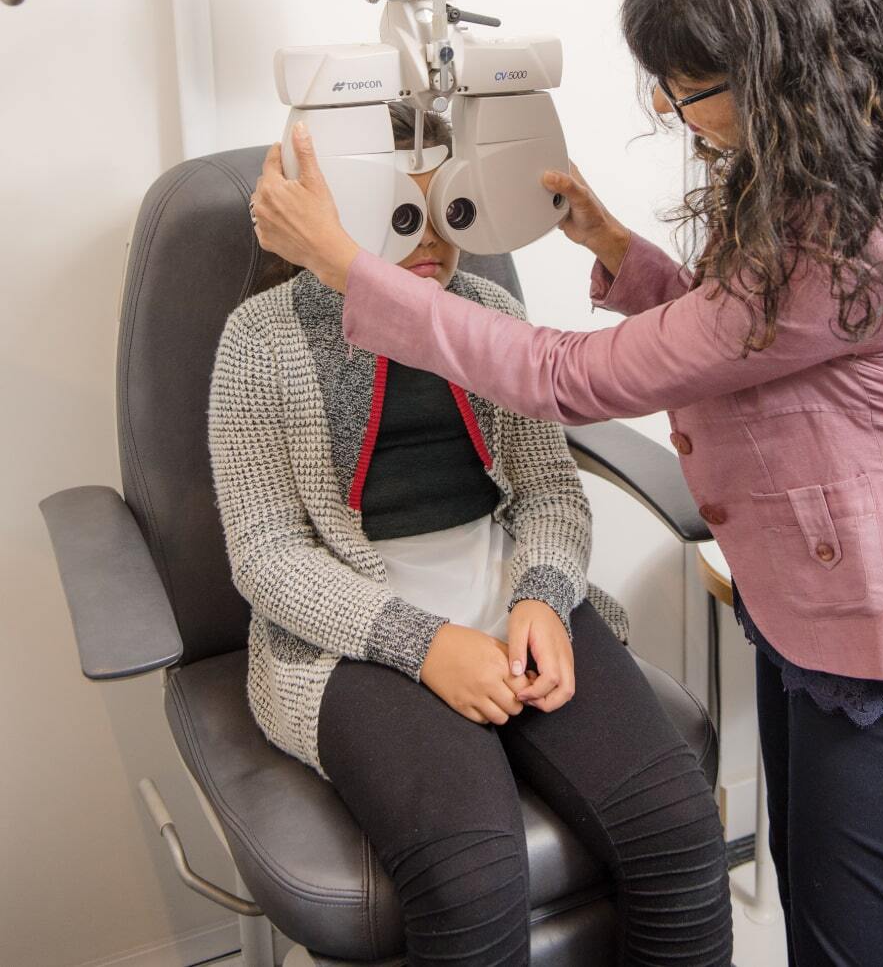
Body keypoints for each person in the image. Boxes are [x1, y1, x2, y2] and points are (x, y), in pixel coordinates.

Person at [250, 0, 883, 967]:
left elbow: (570, 382)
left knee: (841, 938)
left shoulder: (856, 226)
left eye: (686, 87)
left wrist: (346, 262)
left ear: (780, 74)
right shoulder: (815, 165)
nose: (672, 111)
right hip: (812, 598)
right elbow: (746, 338)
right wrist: (617, 252)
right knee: (799, 889)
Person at [210, 102, 733, 967]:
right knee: (473, 874)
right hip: (355, 635)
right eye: (397, 210)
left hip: (507, 599)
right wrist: (425, 646)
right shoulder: (262, 344)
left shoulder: (486, 313)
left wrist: (541, 598)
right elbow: (267, 555)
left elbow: (552, 497)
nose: (432, 242)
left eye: (449, 209)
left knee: (678, 833)